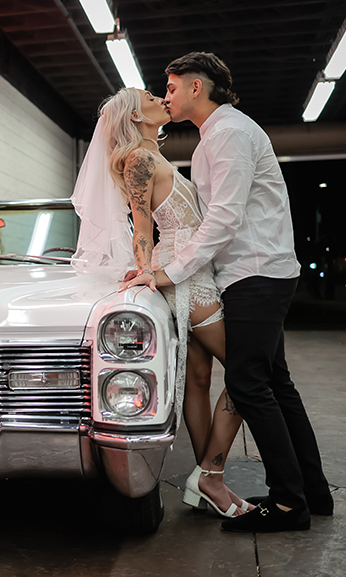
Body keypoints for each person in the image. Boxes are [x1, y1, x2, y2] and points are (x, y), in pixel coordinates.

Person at [140, 51, 332, 532]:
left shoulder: (227, 133)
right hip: (253, 272)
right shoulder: (214, 136)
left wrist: (171, 272)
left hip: (255, 274)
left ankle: (288, 505)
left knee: (248, 385)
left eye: (172, 87)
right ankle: (312, 492)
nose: (167, 96)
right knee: (275, 383)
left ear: (197, 87)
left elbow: (223, 218)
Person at [71, 87, 251, 517]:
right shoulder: (139, 159)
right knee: (249, 371)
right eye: (151, 96)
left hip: (192, 271)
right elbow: (141, 226)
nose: (160, 98)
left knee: (200, 378)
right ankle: (210, 474)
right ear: (136, 116)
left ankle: (206, 481)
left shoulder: (155, 156)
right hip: (182, 277)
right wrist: (146, 270)